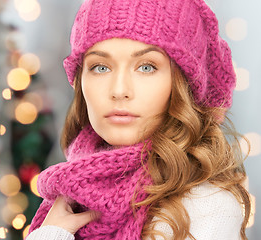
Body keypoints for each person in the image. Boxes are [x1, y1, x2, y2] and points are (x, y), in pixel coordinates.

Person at [26, 0, 252, 239]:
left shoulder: (207, 207)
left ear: (182, 85)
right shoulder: (71, 194)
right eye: (100, 67)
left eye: (146, 67)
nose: (119, 90)